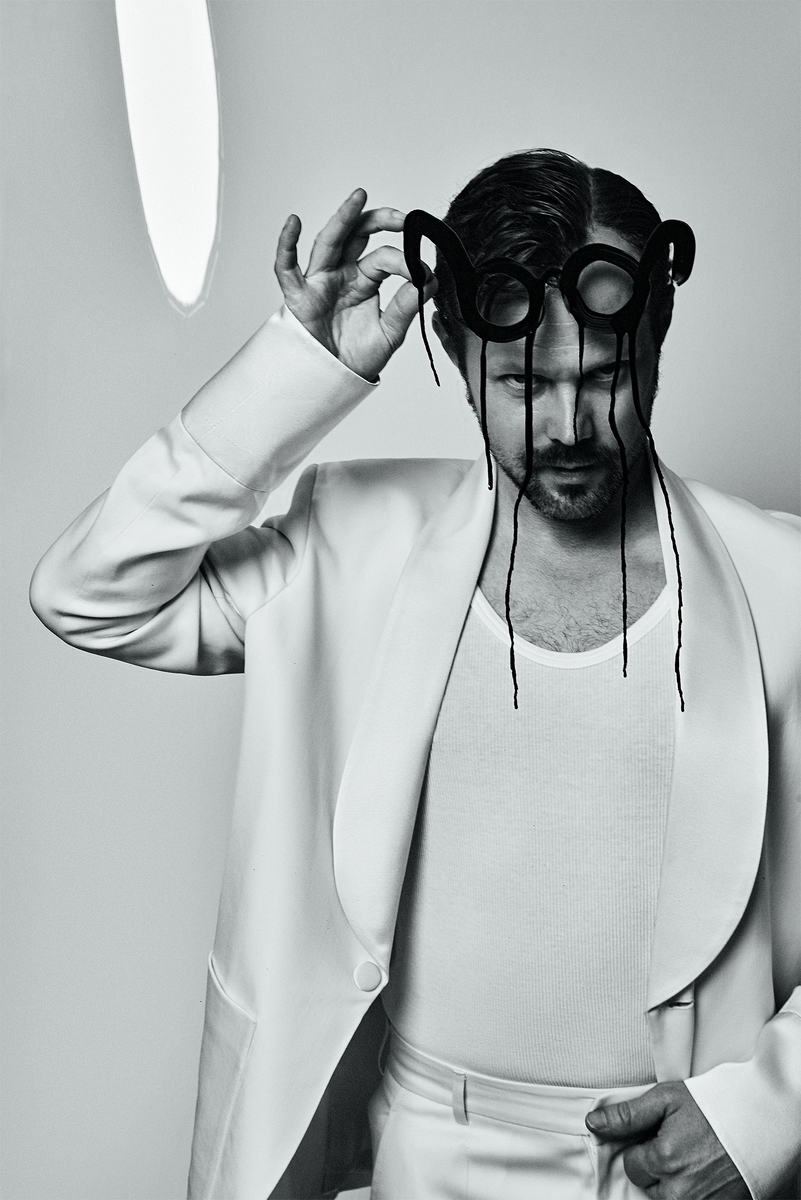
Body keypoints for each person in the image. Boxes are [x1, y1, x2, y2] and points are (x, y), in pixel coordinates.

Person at [30, 150, 801, 1200]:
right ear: (455, 352)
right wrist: (302, 368)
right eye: (524, 384)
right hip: (425, 1152)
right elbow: (92, 591)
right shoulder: (352, 543)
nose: (568, 428)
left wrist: (763, 1117)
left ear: (655, 349)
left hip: (671, 1163)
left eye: (604, 379)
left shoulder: (784, 586)